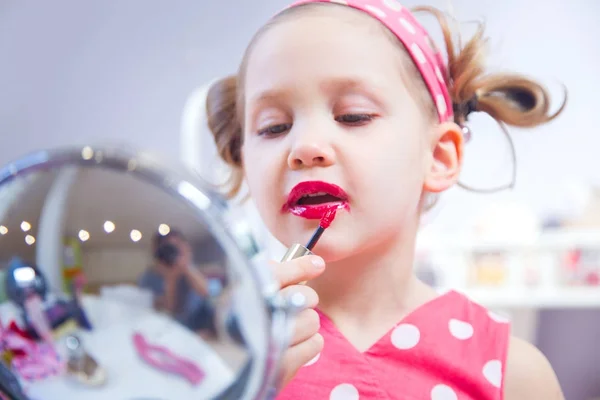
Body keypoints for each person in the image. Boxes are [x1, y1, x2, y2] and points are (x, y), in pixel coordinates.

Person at [205, 0, 566, 398]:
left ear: (439, 157)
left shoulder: (516, 375)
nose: (304, 147)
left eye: (353, 116)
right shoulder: (216, 357)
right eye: (274, 127)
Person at [138, 230, 216, 334]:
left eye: (177, 247)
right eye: (168, 249)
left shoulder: (193, 272)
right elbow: (169, 309)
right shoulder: (148, 278)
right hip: (171, 332)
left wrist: (186, 267)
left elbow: (206, 292)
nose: (173, 253)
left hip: (201, 331)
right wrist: (170, 278)